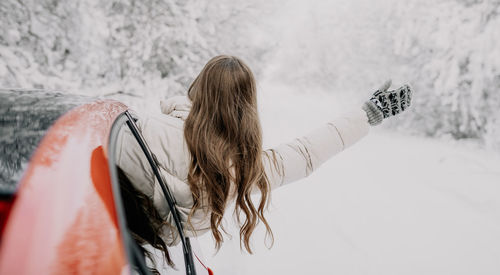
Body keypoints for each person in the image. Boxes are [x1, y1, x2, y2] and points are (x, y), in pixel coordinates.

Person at [115, 55, 412, 271]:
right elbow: (305, 154)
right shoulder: (238, 169)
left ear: (198, 88)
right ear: (246, 106)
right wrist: (367, 114)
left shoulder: (144, 128)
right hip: (145, 257)